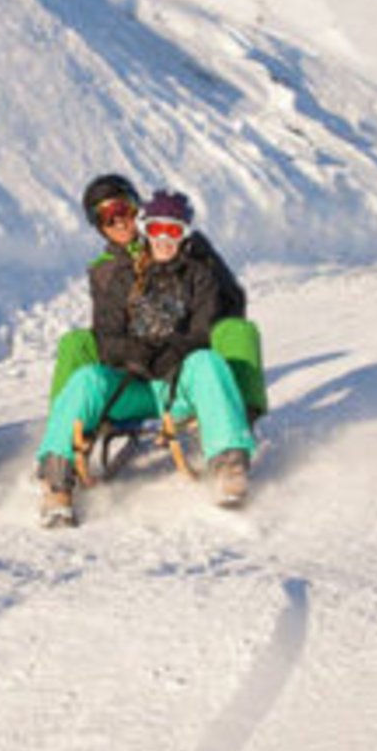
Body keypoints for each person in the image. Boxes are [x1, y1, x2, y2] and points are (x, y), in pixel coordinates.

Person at [37, 189, 256, 526]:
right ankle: (56, 482)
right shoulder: (123, 278)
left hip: (176, 386)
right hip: (132, 385)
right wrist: (134, 353)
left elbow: (202, 333)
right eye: (156, 229)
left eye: (173, 231)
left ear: (184, 234)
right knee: (87, 380)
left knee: (208, 364)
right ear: (146, 229)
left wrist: (172, 353)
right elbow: (106, 336)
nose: (164, 240)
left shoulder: (200, 276)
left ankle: (228, 465)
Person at [50, 174, 266, 417]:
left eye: (121, 209)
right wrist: (134, 353)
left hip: (190, 352)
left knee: (236, 329)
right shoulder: (103, 270)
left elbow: (230, 297)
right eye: (106, 217)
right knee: (75, 342)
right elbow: (106, 328)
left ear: (136, 206)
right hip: (136, 364)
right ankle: (67, 418)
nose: (118, 221)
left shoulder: (181, 241)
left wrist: (192, 344)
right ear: (99, 226)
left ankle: (239, 409)